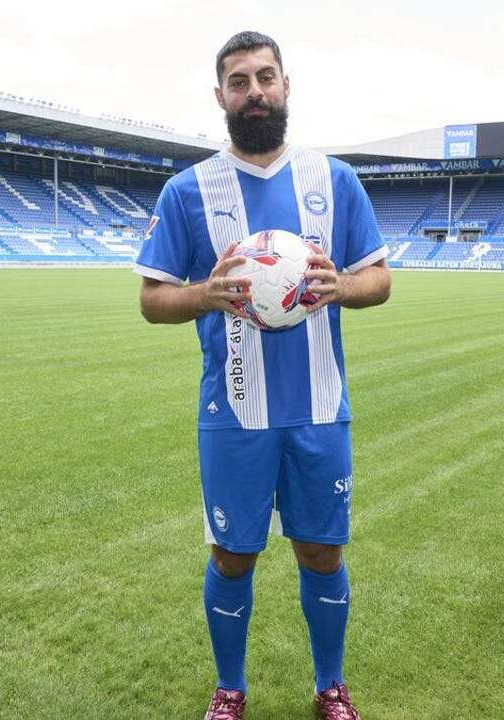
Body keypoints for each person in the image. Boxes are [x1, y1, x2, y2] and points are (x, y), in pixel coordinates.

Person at [133, 31, 391, 720]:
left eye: (265, 77)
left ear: (285, 84)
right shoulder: (189, 191)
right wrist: (203, 296)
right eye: (239, 82)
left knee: (322, 553)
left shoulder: (333, 181)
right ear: (220, 96)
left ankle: (330, 687)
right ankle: (229, 688)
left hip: (318, 407)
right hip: (233, 413)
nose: (254, 92)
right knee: (233, 556)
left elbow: (380, 279)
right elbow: (153, 299)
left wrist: (341, 286)